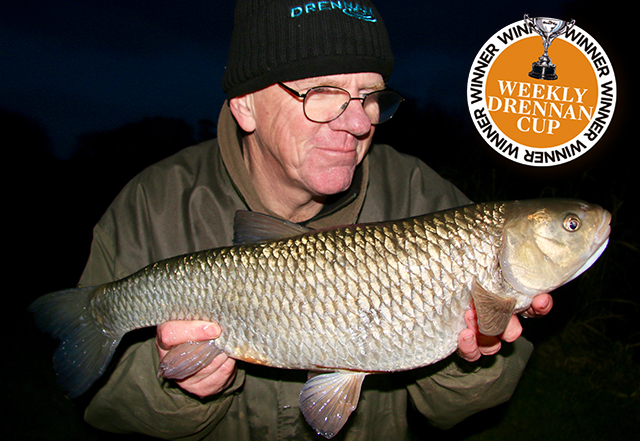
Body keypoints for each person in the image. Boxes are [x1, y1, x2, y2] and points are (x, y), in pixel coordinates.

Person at [80, 1, 552, 439]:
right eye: (323, 93)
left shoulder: (420, 194)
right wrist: (182, 391)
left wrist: (462, 351)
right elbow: (110, 411)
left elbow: (469, 406)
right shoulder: (154, 206)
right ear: (245, 104)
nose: (358, 122)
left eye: (370, 96)